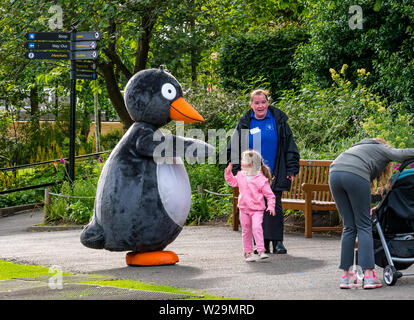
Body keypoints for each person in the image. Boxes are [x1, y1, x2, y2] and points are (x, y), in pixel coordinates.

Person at [329, 138, 414, 289]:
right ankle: (369, 276)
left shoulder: (356, 149)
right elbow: (402, 154)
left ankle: (347, 277)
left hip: (334, 173)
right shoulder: (381, 148)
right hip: (354, 175)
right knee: (364, 226)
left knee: (349, 226)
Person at [227, 89, 300, 254]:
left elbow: (290, 147)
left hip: (275, 170)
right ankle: (262, 244)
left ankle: (278, 242)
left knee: (275, 205)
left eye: (263, 102)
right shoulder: (245, 123)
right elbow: (234, 147)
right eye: (256, 103)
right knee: (256, 208)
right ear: (251, 105)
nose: (260, 106)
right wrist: (237, 171)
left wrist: (291, 169)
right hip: (252, 174)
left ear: (268, 103)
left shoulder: (278, 121)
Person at [225, 150, 276, 261]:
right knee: (246, 230)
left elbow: (270, 195)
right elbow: (232, 182)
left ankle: (261, 250)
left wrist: (271, 206)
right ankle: (248, 253)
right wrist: (228, 173)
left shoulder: (261, 179)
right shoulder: (240, 176)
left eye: (243, 160)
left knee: (257, 227)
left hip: (257, 209)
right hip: (244, 209)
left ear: (251, 164)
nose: (241, 162)